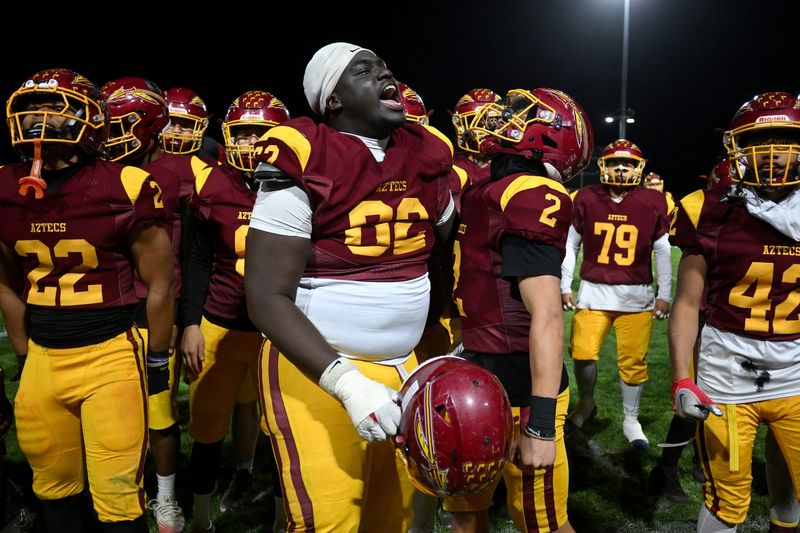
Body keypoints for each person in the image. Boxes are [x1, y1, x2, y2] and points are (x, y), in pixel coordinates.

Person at [244, 42, 456, 532]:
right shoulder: (305, 153)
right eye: (365, 70)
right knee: (330, 520)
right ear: (332, 100)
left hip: (403, 366)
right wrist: (347, 384)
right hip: (316, 370)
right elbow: (265, 297)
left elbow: (443, 258)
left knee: (393, 518)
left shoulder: (425, 153)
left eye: (385, 66)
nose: (386, 75)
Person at [0, 67, 174, 532]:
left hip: (111, 354)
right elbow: (5, 280)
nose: (39, 117)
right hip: (42, 357)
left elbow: (160, 281)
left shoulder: (126, 185)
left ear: (87, 117)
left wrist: (157, 358)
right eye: (31, 108)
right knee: (53, 492)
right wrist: (24, 355)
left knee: (118, 499)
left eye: (54, 108)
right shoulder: (3, 188)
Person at [442, 87, 593, 533]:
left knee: (541, 522)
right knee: (466, 513)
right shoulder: (489, 187)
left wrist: (542, 425)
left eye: (519, 113)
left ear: (549, 135)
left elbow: (546, 313)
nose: (502, 116)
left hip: (522, 387)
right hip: (476, 372)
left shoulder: (530, 192)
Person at [669, 91, 800, 533]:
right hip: (728, 377)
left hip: (798, 375)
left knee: (794, 494)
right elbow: (687, 304)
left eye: (785, 137)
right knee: (727, 502)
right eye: (760, 138)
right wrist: (682, 377)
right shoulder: (706, 209)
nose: (774, 151)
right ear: (736, 146)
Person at [180, 89, 290, 532]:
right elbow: (196, 259)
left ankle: (286, 520)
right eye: (240, 134)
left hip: (278, 329)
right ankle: (200, 519)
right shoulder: (211, 182)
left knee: (284, 430)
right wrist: (189, 322)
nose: (247, 143)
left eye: (257, 133)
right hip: (221, 322)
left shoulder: (303, 184)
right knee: (206, 425)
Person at [101, 75, 188, 533]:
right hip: (105, 307)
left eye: (122, 122)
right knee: (112, 410)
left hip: (154, 306)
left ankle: (166, 496)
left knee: (159, 409)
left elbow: (193, 250)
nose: (111, 132)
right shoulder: (93, 169)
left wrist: (183, 316)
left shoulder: (184, 171)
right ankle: (112, 490)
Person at [561, 139, 672, 450]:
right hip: (593, 293)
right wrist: (563, 284)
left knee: (633, 362)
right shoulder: (585, 197)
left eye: (626, 163)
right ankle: (586, 403)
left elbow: (662, 250)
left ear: (639, 167)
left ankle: (631, 418)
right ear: (602, 166)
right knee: (582, 353)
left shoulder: (653, 201)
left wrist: (665, 292)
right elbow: (571, 245)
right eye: (612, 162)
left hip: (636, 296)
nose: (619, 168)